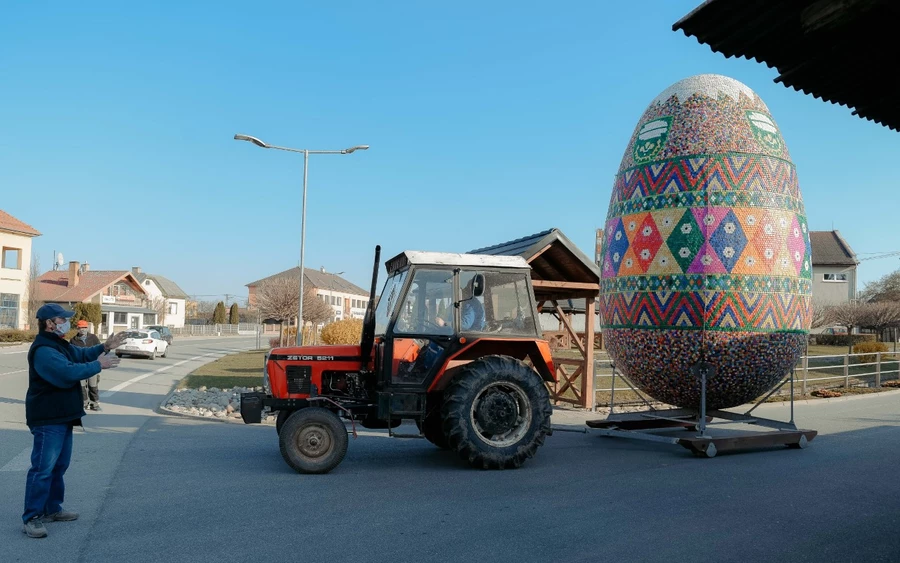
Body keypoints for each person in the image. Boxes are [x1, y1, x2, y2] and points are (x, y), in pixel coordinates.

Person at [22, 304, 124, 539]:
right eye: (62, 319)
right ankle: (32, 517)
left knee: (59, 466)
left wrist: (104, 347)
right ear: (50, 323)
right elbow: (68, 372)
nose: (67, 322)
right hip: (48, 417)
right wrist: (99, 364)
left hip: (62, 415)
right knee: (42, 469)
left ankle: (51, 509)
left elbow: (79, 355)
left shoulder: (59, 344)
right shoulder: (44, 350)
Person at [71, 320, 102, 411]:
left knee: (93, 386)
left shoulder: (93, 338)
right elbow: (70, 353)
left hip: (93, 365)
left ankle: (94, 403)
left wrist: (99, 361)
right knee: (81, 387)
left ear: (87, 328)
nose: (83, 329)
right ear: (77, 328)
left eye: (84, 327)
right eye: (81, 328)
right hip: (80, 366)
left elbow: (99, 349)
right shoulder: (73, 340)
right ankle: (84, 403)